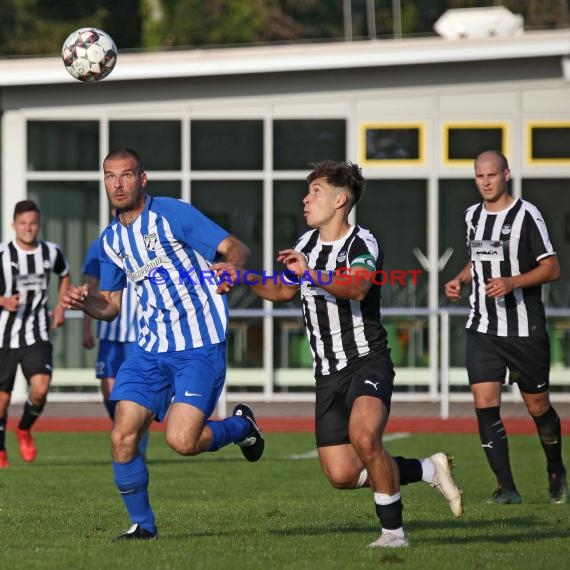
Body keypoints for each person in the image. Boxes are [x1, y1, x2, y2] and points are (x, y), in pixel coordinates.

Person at [213, 160, 463, 549]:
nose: (306, 199)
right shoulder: (305, 245)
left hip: (367, 360)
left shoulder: (362, 242)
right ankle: (428, 468)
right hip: (327, 374)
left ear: (341, 199)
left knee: (365, 437)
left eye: (316, 192)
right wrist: (240, 276)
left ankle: (393, 533)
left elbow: (359, 286)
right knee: (342, 474)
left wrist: (311, 273)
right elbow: (283, 291)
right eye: (308, 191)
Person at [62, 148, 264, 540]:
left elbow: (236, 248)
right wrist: (84, 301)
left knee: (181, 441)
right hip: (149, 349)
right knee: (122, 436)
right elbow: (111, 307)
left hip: (199, 345)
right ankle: (143, 526)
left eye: (126, 175)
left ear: (143, 178)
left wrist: (232, 269)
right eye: (110, 176)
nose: (118, 183)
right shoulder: (111, 241)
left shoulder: (173, 213)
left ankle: (241, 426)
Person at [444, 150, 567, 505]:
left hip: (525, 330)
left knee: (538, 407)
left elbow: (552, 268)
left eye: (492, 175)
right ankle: (506, 488)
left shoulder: (528, 215)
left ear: (506, 175)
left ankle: (556, 468)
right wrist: (460, 279)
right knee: (485, 404)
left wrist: (512, 282)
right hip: (482, 328)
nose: (485, 181)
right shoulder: (471, 217)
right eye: (479, 176)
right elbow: (478, 257)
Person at [0, 200, 70, 468]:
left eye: (32, 223)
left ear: (39, 224)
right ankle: (1, 449)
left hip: (37, 334)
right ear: (13, 225)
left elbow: (65, 275)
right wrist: (3, 301)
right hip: (4, 337)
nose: (28, 228)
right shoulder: (3, 255)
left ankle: (24, 428)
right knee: (2, 401)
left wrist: (61, 307)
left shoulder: (51, 252)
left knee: (40, 390)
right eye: (22, 223)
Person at [82, 237, 149, 456]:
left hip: (139, 335)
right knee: (109, 393)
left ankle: (135, 441)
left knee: (135, 394)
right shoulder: (101, 245)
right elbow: (90, 286)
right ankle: (128, 432)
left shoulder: (148, 240)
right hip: (109, 332)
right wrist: (86, 328)